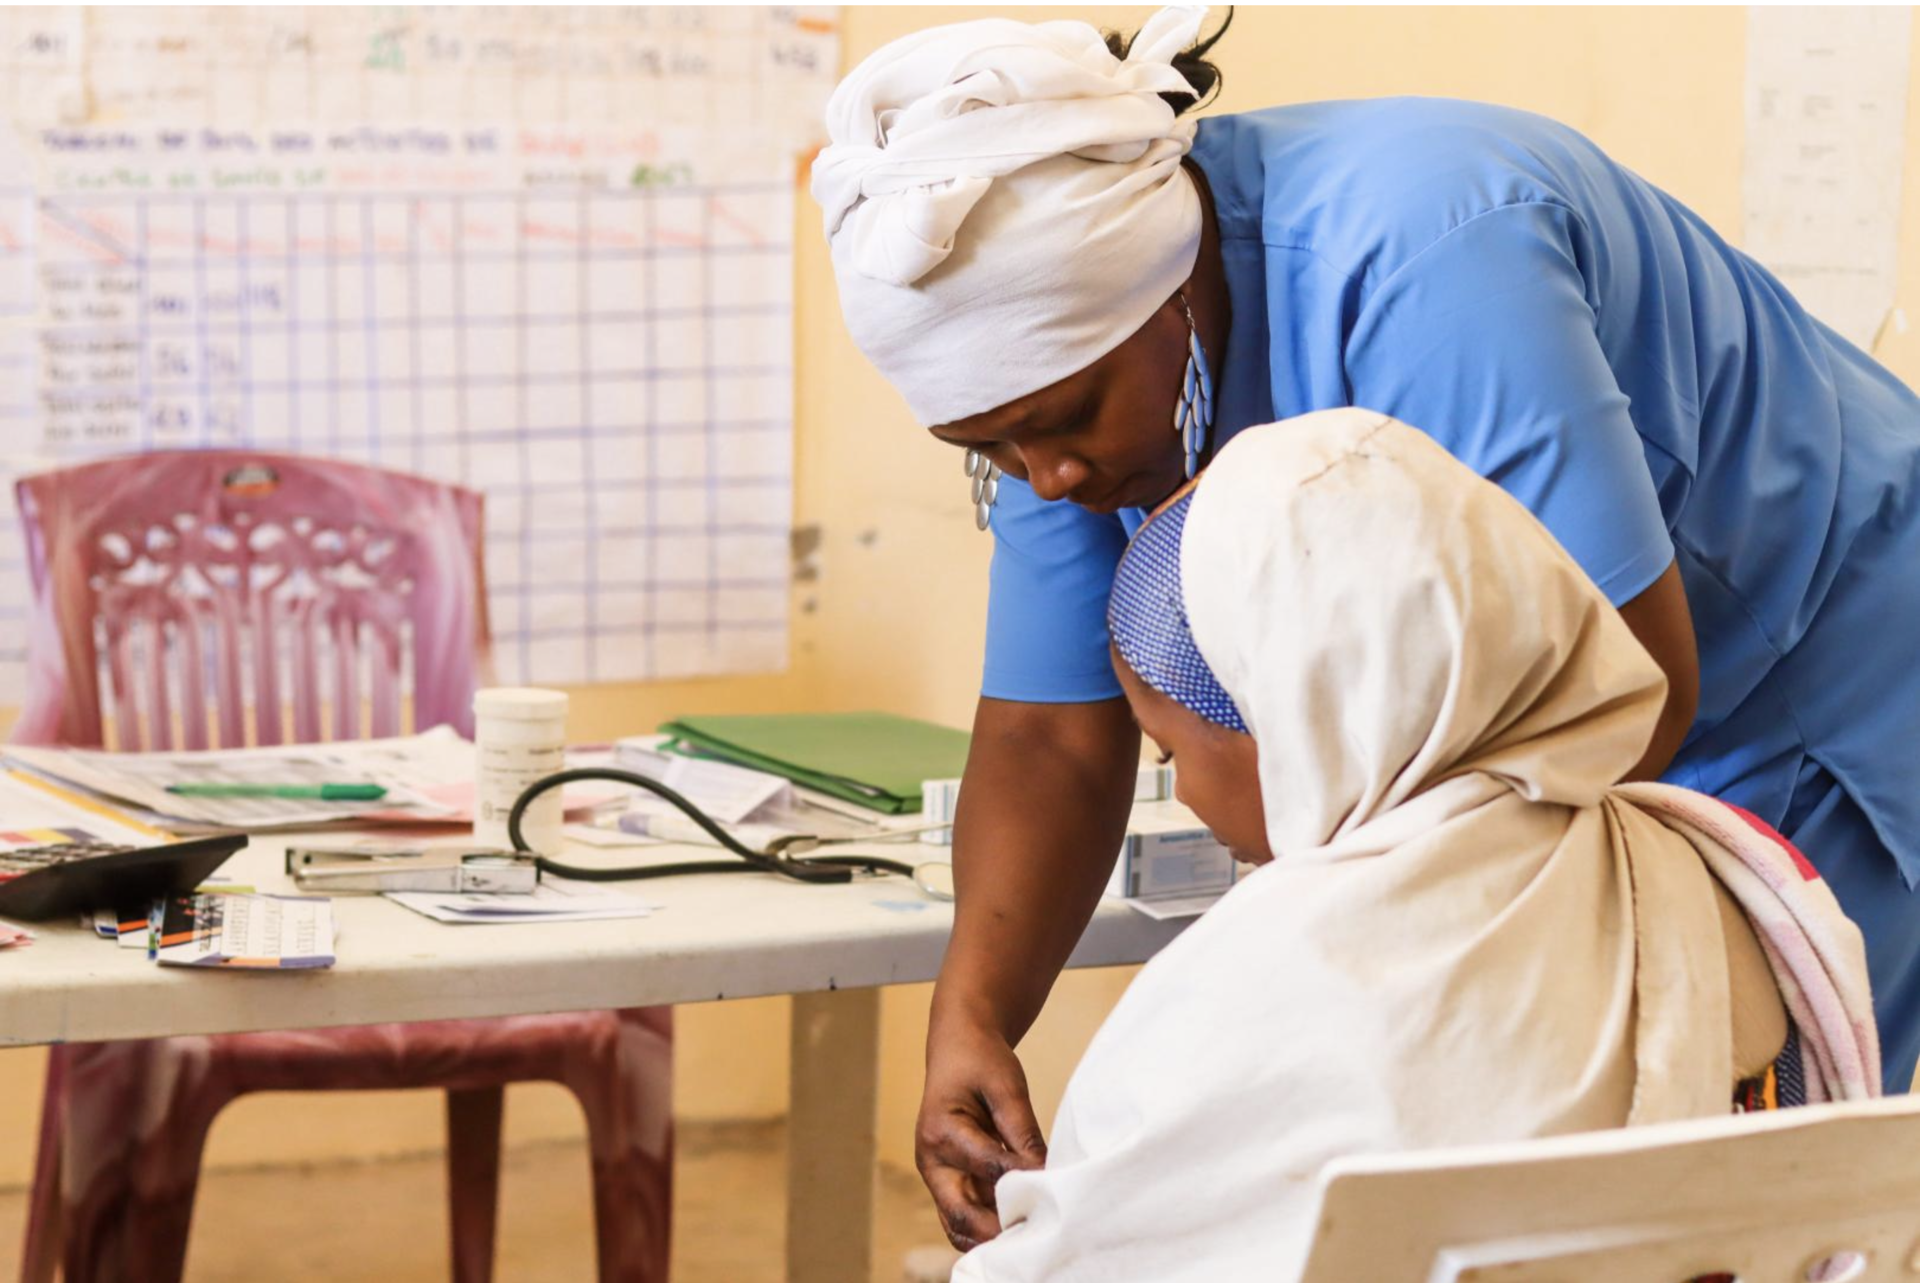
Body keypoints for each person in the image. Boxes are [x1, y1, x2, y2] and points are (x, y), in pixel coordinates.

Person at [809, 5, 1920, 1247]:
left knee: (1737, 1171)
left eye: (1061, 421)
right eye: (988, 450)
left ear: (1167, 302)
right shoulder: (1068, 404)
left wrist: (1347, 914)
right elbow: (1053, 733)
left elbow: (1618, 691)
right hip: (1510, 778)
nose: (1046, 478)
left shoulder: (1435, 249)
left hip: (1821, 663)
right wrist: (973, 1009)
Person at [948, 409, 1879, 1282]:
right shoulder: (1720, 874)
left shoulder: (1253, 992)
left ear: (1305, 722)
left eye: (1176, 751)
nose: (1186, 793)